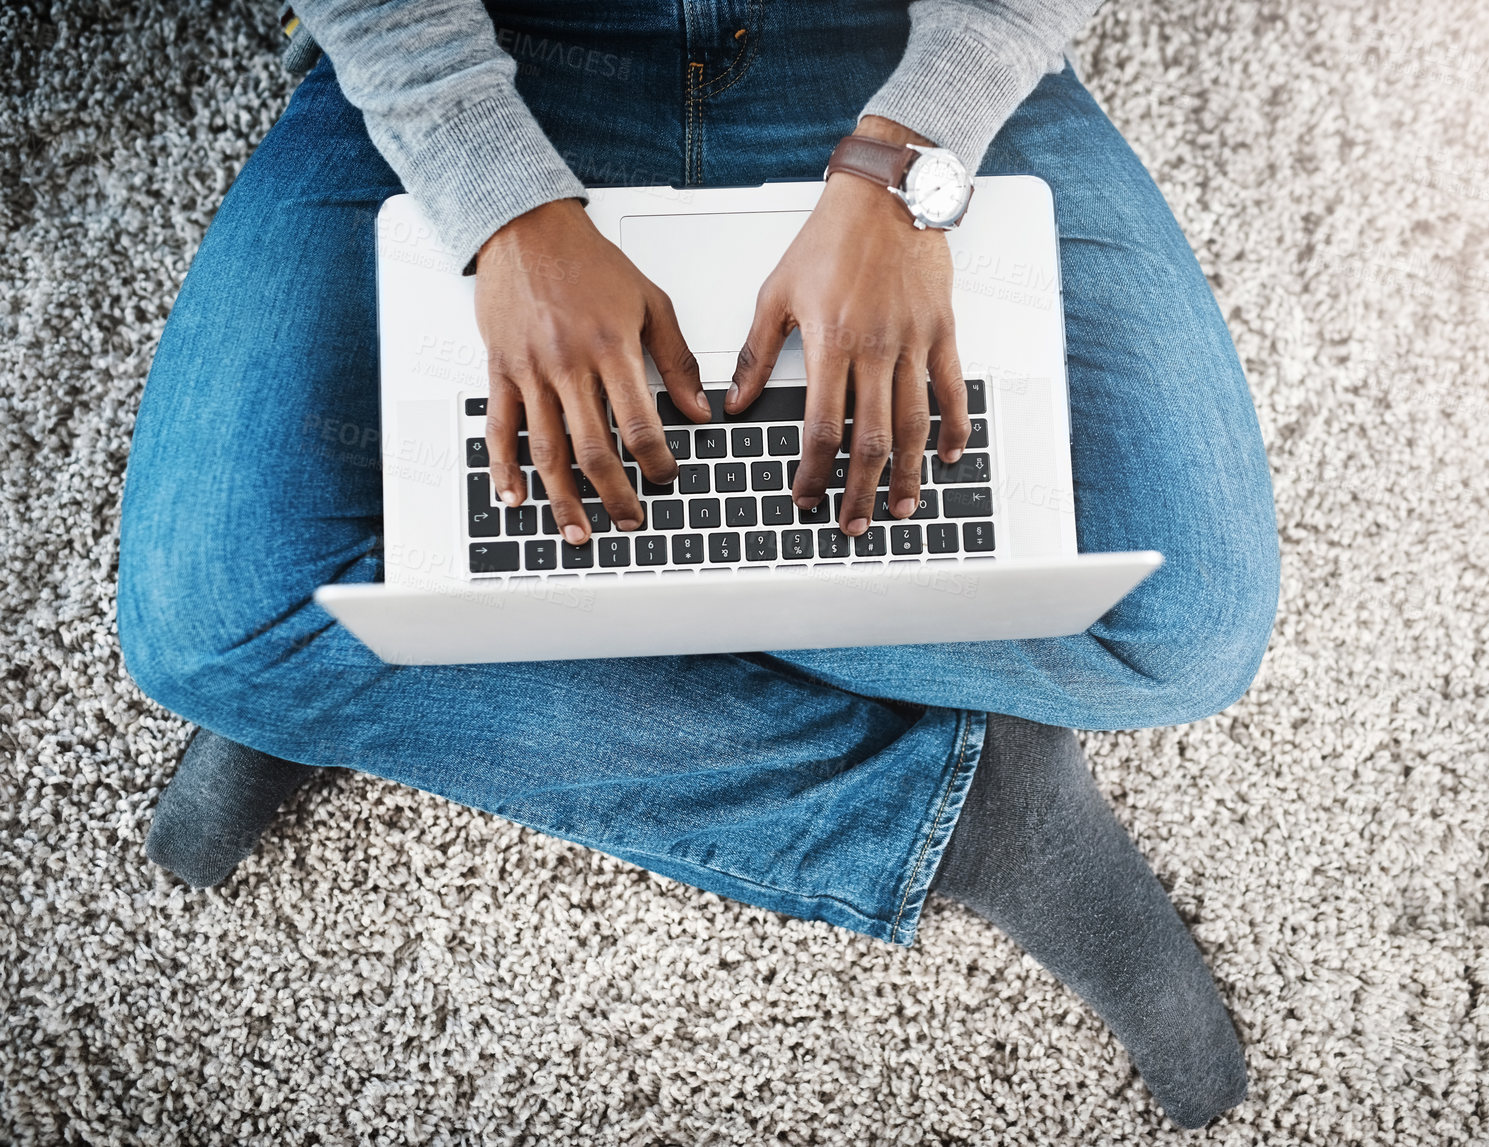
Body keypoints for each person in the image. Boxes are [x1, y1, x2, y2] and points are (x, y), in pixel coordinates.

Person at [118, 0, 1279, 1128]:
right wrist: (499, 198)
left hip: (885, 46)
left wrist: (909, 159)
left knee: (1182, 626)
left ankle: (394, 655)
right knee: (213, 616)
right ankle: (968, 804)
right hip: (485, 47)